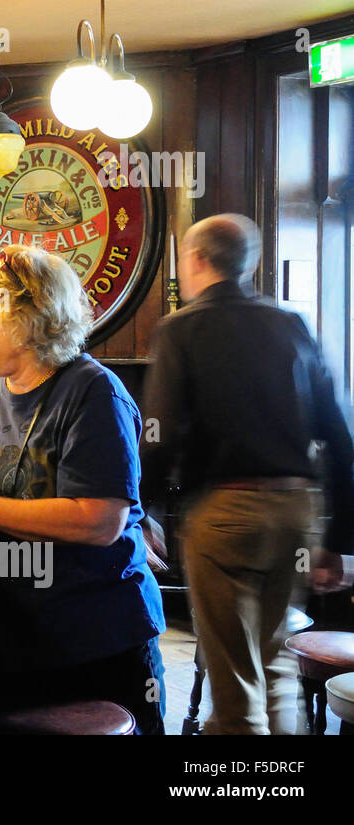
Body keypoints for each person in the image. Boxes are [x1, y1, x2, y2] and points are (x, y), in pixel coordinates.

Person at [0, 244, 166, 734]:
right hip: (12, 631)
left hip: (93, 640)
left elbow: (99, 521)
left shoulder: (93, 392)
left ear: (25, 320)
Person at [141, 214, 353, 735]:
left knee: (234, 680)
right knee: (275, 661)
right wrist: (337, 539)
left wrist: (143, 510)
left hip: (225, 513)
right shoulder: (292, 324)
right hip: (296, 511)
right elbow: (338, 433)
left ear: (196, 261)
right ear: (249, 264)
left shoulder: (181, 328)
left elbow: (159, 433)